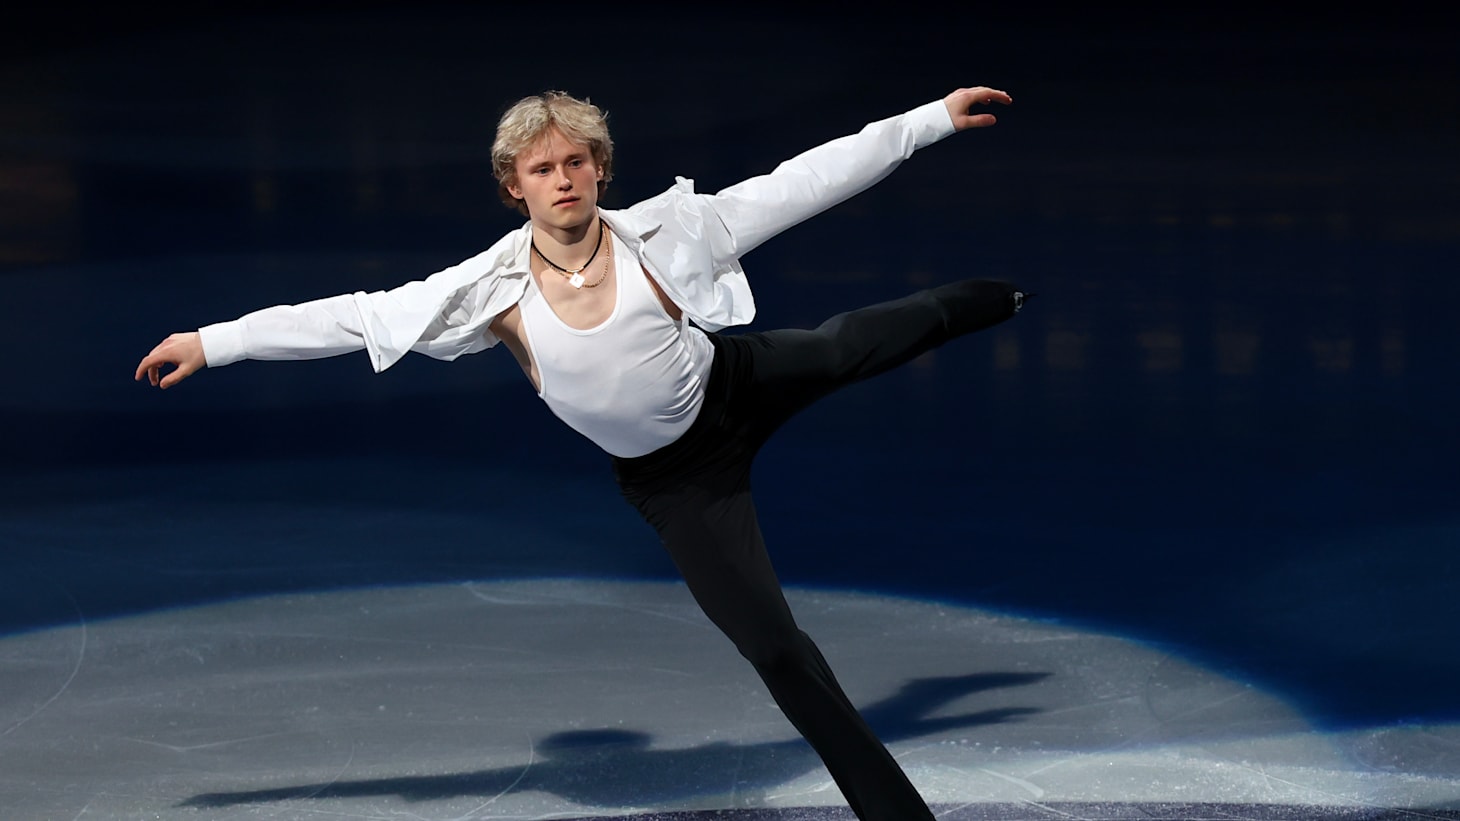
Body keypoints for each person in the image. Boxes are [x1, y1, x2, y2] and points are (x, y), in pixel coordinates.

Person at [135, 84, 1029, 820]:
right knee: (776, 650)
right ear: (513, 187)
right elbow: (353, 317)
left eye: (575, 161)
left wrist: (929, 121)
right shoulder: (488, 291)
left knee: (850, 343)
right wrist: (215, 341)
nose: (562, 179)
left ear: (599, 167)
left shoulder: (669, 232)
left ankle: (990, 298)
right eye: (542, 168)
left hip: (735, 383)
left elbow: (802, 183)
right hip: (678, 481)